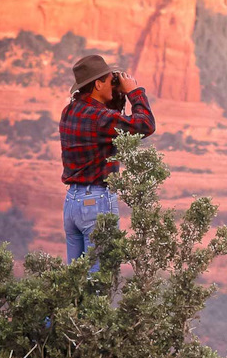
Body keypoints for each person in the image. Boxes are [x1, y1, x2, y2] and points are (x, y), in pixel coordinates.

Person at [60, 55, 156, 270]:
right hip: (96, 202)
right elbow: (145, 125)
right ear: (98, 84)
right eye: (109, 80)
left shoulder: (70, 111)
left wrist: (115, 95)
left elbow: (108, 118)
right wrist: (133, 92)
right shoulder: (99, 118)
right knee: (99, 281)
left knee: (75, 283)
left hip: (72, 203)